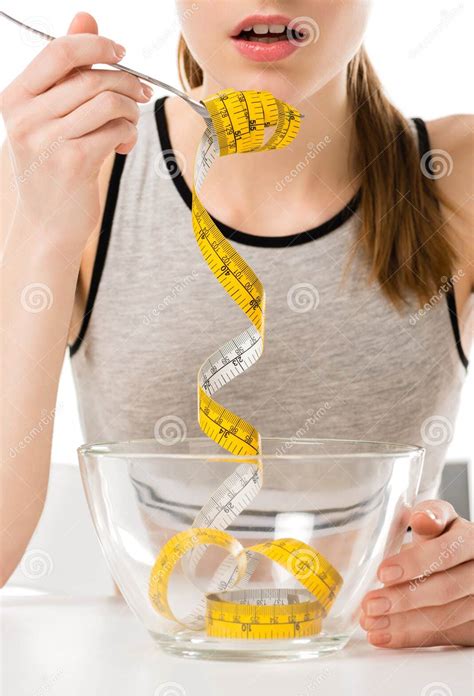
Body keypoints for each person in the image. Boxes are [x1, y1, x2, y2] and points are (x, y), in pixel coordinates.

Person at [1, 2, 472, 649]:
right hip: (148, 689)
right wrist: (42, 232)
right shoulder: (70, 169)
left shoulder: (458, 176)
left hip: (383, 686)